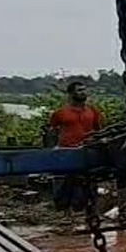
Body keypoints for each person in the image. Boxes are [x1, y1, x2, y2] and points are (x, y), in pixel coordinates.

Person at [48, 81, 103, 219]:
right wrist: (52, 149)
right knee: (63, 183)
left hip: (87, 151)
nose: (83, 92)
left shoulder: (92, 111)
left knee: (90, 183)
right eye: (79, 90)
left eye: (84, 89)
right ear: (71, 94)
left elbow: (99, 131)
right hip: (66, 151)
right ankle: (65, 214)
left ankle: (91, 213)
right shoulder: (61, 113)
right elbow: (51, 132)